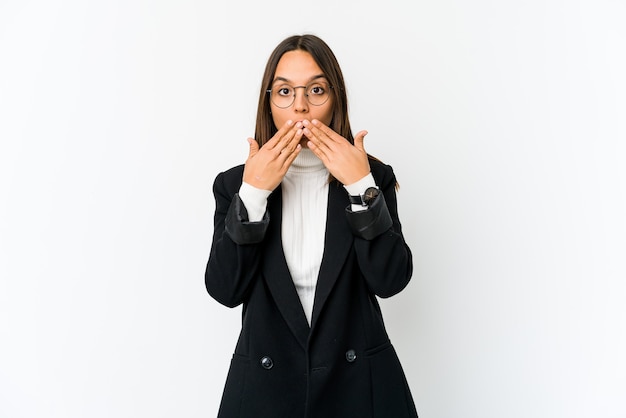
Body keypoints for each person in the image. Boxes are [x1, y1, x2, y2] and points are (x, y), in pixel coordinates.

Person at [205, 33, 418, 417]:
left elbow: (391, 281)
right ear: (268, 104)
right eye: (284, 92)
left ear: (335, 99)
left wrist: (360, 186)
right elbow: (225, 289)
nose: (300, 107)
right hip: (265, 394)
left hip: (359, 390)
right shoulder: (234, 184)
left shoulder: (373, 176)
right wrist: (253, 193)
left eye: (316, 89)